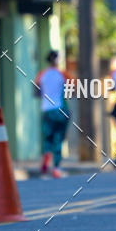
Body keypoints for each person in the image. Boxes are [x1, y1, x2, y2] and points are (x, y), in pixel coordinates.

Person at [35, 50, 71, 178]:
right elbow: (73, 89)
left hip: (46, 110)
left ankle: (46, 157)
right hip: (60, 109)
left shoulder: (41, 74)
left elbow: (36, 92)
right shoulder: (63, 74)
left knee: (47, 138)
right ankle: (56, 168)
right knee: (59, 138)